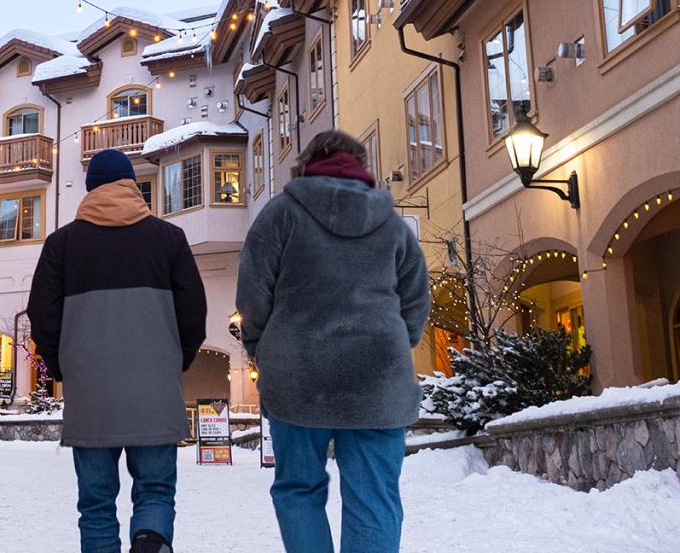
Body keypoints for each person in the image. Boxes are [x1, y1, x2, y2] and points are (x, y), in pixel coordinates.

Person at [236, 130, 431, 553]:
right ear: (364, 170)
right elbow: (416, 299)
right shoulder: (393, 226)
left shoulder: (280, 215)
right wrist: (392, 346)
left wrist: (262, 349)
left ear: (304, 165)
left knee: (298, 489)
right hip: (377, 379)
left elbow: (253, 296)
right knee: (374, 497)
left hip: (297, 375)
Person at [27, 149, 208, 553]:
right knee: (155, 491)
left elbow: (42, 318)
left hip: (90, 391)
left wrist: (63, 368)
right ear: (132, 185)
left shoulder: (61, 245)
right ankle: (150, 541)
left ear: (90, 189)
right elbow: (194, 314)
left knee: (95, 504)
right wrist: (172, 363)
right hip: (154, 390)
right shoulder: (169, 239)